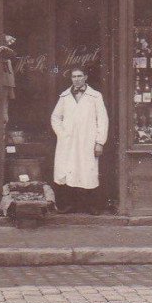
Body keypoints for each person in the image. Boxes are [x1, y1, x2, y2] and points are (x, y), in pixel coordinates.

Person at [50, 67, 109, 215]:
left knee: (87, 171)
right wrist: (62, 134)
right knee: (69, 170)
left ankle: (91, 206)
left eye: (79, 76)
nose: (76, 79)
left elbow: (102, 120)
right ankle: (69, 205)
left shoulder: (95, 96)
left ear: (85, 77)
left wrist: (99, 142)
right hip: (68, 142)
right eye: (74, 76)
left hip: (87, 140)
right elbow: (55, 117)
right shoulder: (64, 96)